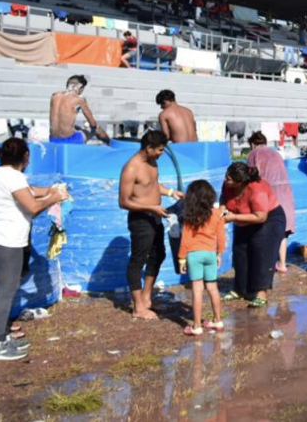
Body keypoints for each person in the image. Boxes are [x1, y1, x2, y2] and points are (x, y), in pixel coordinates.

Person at [0, 139, 68, 361]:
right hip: (8, 240)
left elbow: (29, 191)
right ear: (26, 156)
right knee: (6, 290)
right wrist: (53, 198)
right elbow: (31, 206)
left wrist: (49, 190)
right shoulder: (13, 176)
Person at [119, 131, 182, 320]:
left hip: (155, 215)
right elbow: (123, 201)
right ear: (149, 148)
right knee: (138, 259)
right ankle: (138, 307)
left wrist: (172, 192)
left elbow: (153, 185)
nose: (162, 153)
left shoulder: (153, 163)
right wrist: (150, 207)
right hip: (140, 218)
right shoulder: (131, 168)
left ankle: (147, 297)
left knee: (159, 254)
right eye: (160, 150)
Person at [220, 162, 286, 308]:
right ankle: (240, 290)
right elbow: (223, 197)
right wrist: (222, 209)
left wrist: (233, 218)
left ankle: (261, 293)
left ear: (240, 182)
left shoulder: (257, 190)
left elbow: (260, 217)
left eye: (229, 179)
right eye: (226, 176)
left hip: (269, 219)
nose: (225, 180)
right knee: (239, 250)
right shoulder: (228, 185)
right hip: (242, 218)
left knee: (261, 252)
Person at [177, 180, 226, 336]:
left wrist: (181, 259)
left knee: (197, 289)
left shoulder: (190, 216)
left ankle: (196, 326)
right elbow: (221, 236)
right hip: (210, 253)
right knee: (213, 288)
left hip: (194, 254)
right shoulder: (217, 214)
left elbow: (185, 239)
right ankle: (218, 321)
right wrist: (219, 253)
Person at [247, 132, 296, 274]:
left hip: (268, 192)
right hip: (285, 191)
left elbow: (251, 176)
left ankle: (264, 263)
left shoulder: (253, 154)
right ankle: (282, 264)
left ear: (252, 144)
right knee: (283, 231)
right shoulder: (276, 153)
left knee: (264, 228)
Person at [49, 75, 110, 144]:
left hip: (53, 139)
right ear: (80, 88)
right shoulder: (79, 100)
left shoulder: (54, 96)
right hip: (70, 139)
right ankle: (111, 144)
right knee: (97, 128)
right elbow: (93, 123)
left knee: (77, 127)